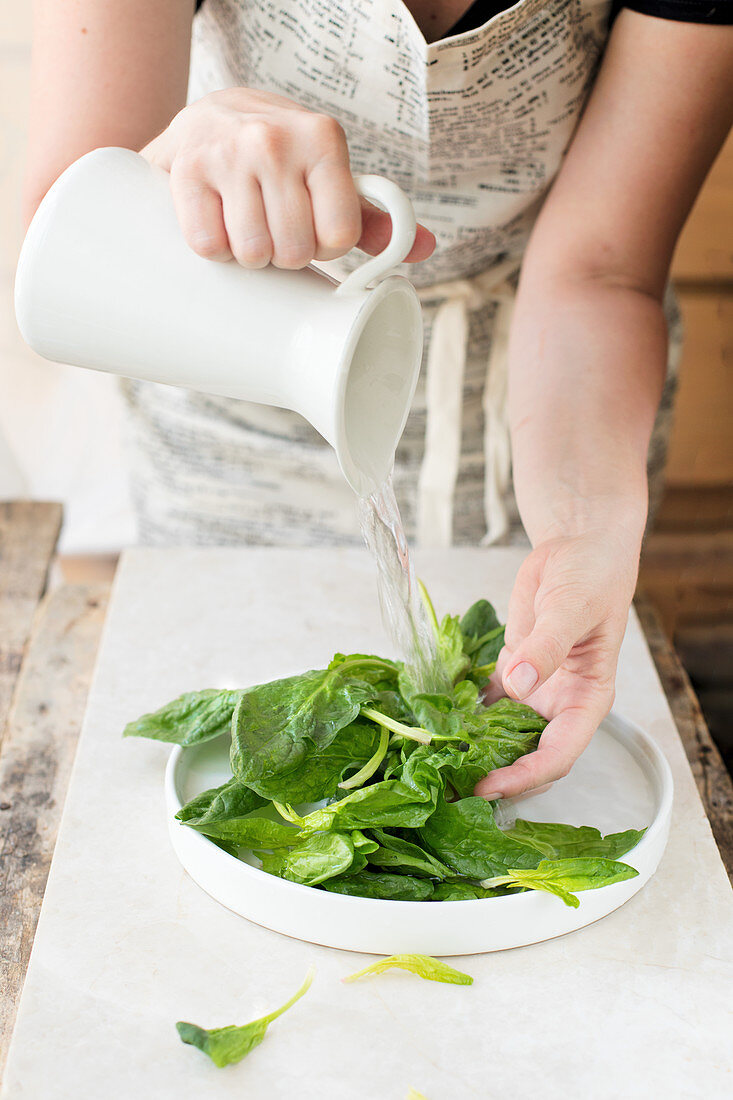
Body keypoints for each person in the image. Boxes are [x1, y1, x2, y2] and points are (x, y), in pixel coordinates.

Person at [23, 1, 733, 801]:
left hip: (554, 411)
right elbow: (56, 241)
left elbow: (602, 268)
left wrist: (581, 534)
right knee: (224, 773)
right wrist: (174, 153)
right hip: (228, 415)